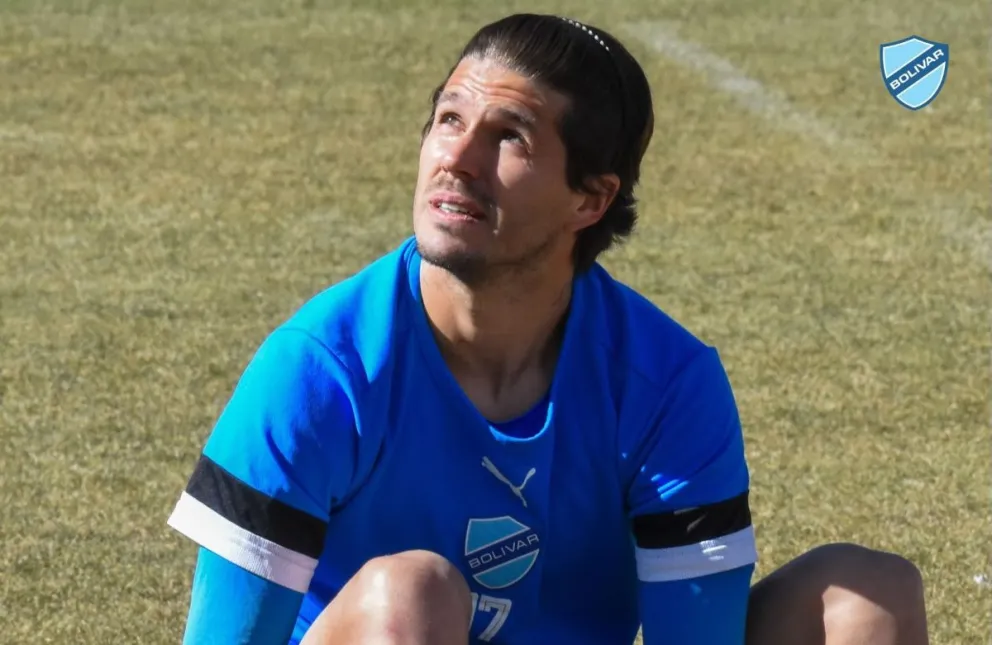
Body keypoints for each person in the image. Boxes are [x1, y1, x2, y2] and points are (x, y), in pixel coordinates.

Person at [167, 13, 929, 645]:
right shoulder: (319, 369)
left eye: (510, 137)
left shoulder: (667, 383)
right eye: (449, 119)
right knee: (413, 594)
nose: (455, 159)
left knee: (869, 597)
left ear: (590, 200)